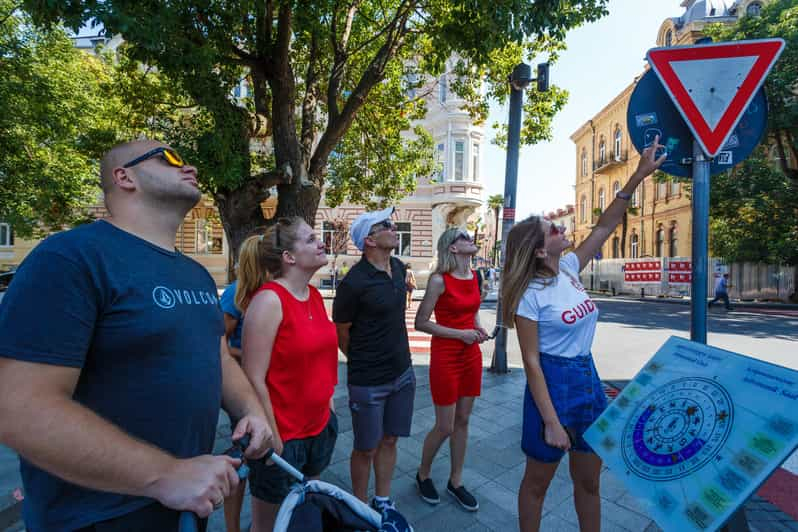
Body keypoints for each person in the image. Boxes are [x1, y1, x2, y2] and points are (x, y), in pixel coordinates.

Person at [0, 140, 273, 532]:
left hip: (185, 504)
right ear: (123, 176)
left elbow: (217, 357)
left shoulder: (195, 273)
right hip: (97, 517)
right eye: (170, 157)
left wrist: (251, 410)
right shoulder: (69, 257)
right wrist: (166, 475)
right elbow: (18, 407)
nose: (188, 165)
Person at [501, 138, 665, 532]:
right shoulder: (530, 296)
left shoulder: (570, 267)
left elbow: (606, 224)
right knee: (537, 483)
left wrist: (638, 176)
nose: (562, 229)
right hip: (552, 387)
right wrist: (552, 422)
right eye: (552, 229)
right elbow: (532, 363)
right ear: (540, 251)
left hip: (587, 381)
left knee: (589, 481)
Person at [239, 217, 340, 532]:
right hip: (282, 440)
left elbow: (323, 361)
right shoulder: (269, 300)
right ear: (289, 257)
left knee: (301, 516)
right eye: (310, 239)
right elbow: (253, 377)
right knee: (268, 526)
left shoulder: (314, 296)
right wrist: (274, 438)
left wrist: (330, 411)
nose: (321, 242)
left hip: (319, 429)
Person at [333, 206, 415, 514]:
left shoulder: (396, 265)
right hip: (368, 379)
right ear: (369, 240)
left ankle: (382, 500)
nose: (393, 228)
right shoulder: (354, 282)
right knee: (366, 447)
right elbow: (342, 332)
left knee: (390, 439)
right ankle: (358, 506)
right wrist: (363, 360)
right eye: (386, 226)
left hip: (403, 373)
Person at [414, 228, 488, 511]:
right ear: (452, 248)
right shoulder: (438, 280)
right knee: (445, 425)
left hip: (471, 355)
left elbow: (472, 311)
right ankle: (423, 474)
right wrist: (460, 334)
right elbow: (421, 322)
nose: (470, 239)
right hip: (446, 355)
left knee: (463, 421)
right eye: (463, 237)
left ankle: (455, 481)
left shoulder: (476, 276)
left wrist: (477, 326)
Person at [219, 273, 247, 532]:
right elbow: (220, 344)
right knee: (242, 455)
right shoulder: (236, 292)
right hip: (241, 381)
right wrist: (251, 353)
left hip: (264, 382)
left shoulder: (269, 289)